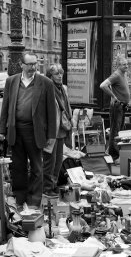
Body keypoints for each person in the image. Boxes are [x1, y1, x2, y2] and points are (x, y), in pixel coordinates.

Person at [0, 52, 57, 209]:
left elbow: (52, 112)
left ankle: (33, 201)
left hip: (35, 132)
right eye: (29, 64)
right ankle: (20, 199)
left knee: (37, 168)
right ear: (22, 65)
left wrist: (51, 135)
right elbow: (5, 108)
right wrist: (1, 131)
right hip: (16, 130)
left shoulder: (45, 83)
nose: (33, 67)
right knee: (18, 167)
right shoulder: (11, 81)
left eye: (35, 64)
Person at [42, 64, 72, 197]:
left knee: (58, 161)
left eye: (61, 73)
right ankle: (46, 187)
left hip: (62, 130)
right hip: (51, 131)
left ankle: (53, 185)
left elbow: (67, 107)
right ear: (50, 76)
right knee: (50, 161)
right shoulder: (47, 89)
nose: (60, 76)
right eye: (56, 74)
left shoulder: (63, 89)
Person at [100, 56, 130, 164]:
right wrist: (113, 96)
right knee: (115, 131)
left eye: (127, 64)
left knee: (119, 130)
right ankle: (114, 156)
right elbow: (103, 85)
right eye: (124, 64)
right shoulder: (116, 75)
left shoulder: (123, 74)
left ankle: (114, 155)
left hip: (121, 106)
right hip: (117, 106)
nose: (126, 66)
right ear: (118, 66)